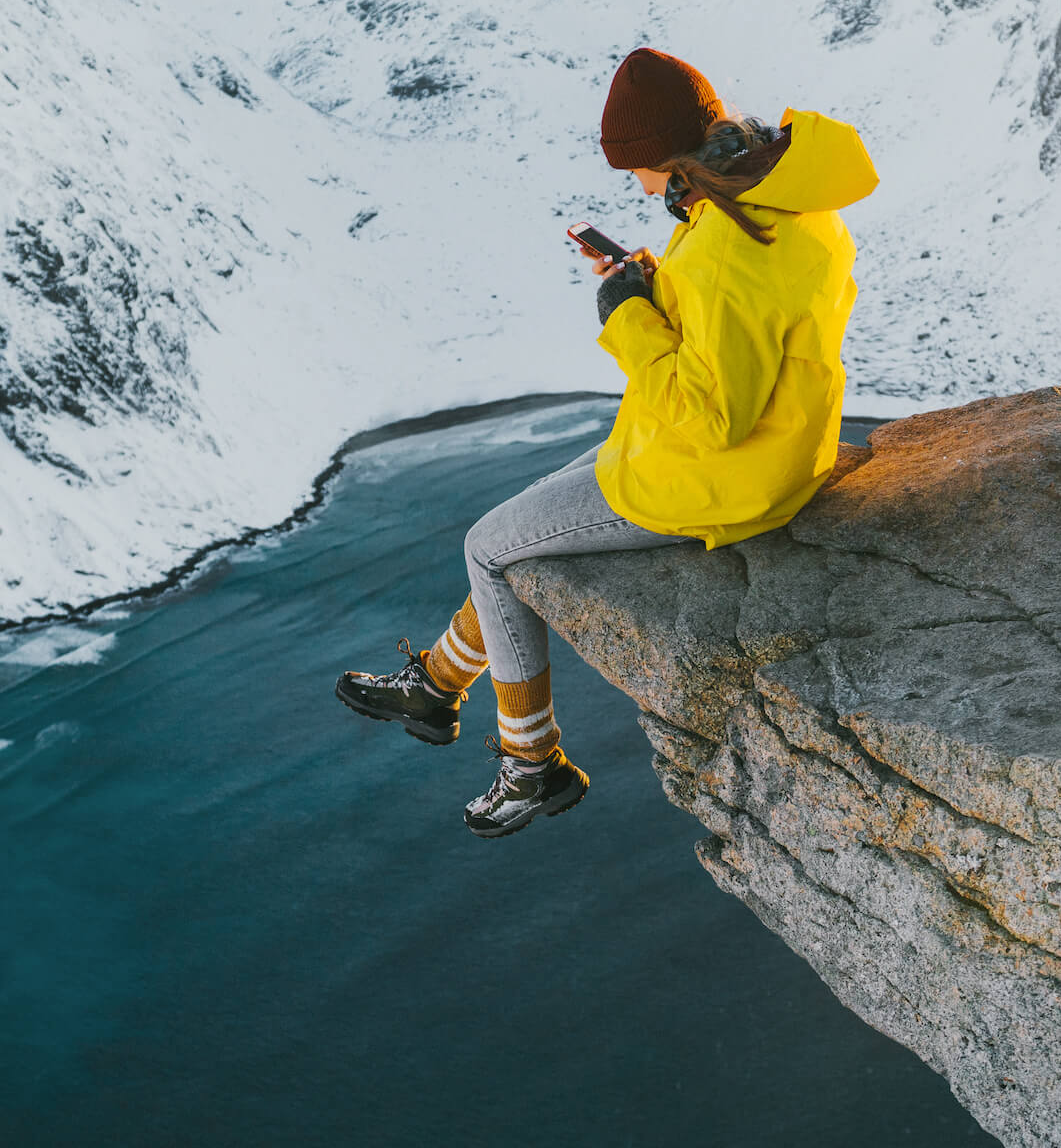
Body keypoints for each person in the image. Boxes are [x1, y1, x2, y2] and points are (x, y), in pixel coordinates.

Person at [334, 47, 879, 837]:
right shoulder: (777, 196)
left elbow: (712, 411)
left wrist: (624, 316)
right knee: (524, 520)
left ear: (666, 160)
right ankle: (436, 686)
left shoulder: (728, 247)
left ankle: (531, 766)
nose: (639, 188)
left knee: (490, 547)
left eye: (638, 173)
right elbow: (746, 324)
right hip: (775, 446)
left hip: (721, 473)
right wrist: (653, 280)